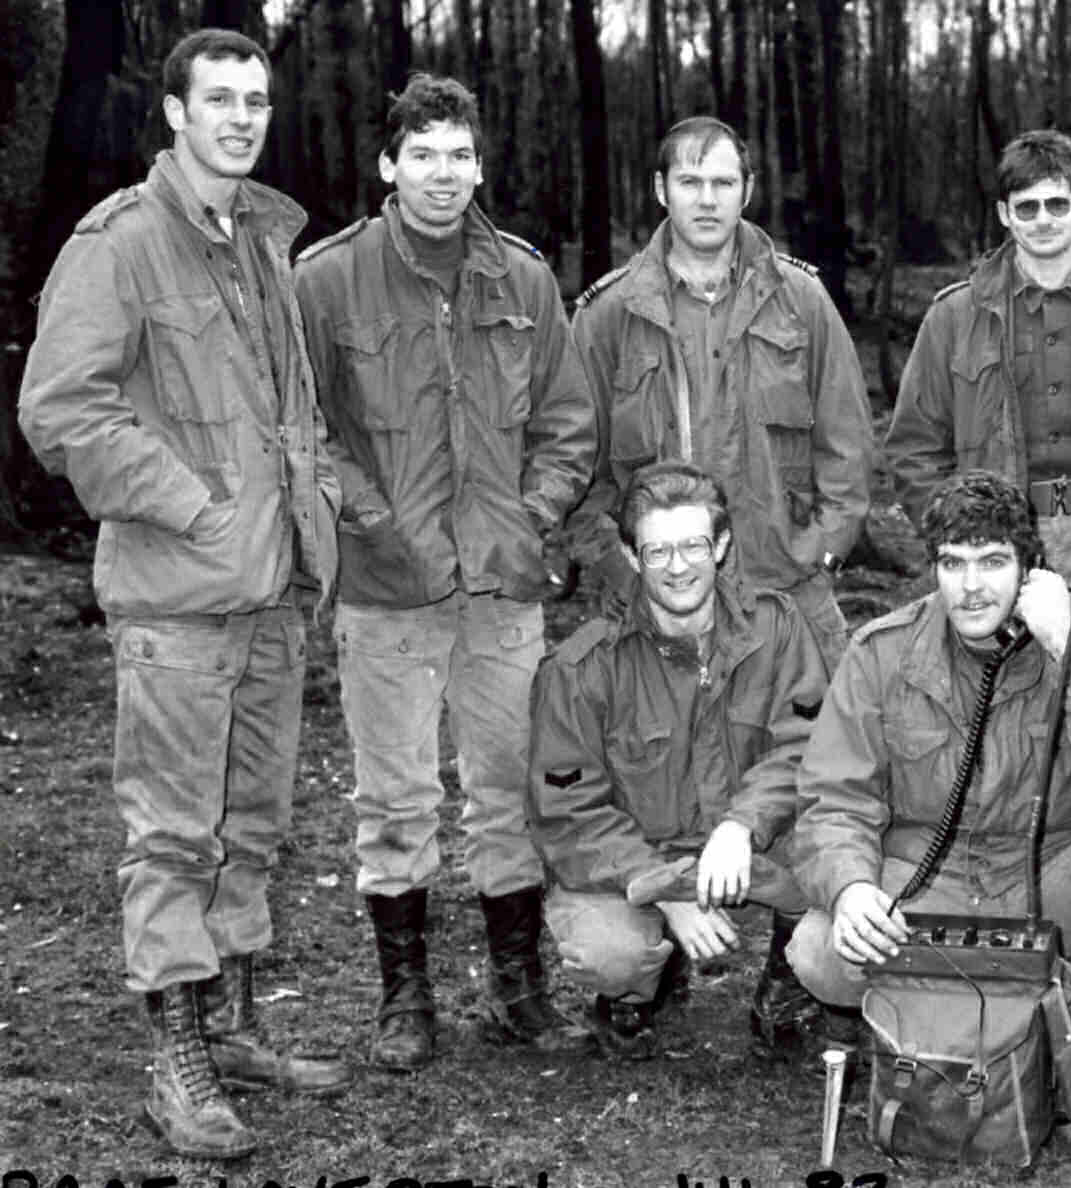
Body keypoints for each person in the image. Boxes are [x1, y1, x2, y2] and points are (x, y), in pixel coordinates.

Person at [17, 28, 347, 1159]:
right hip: (177, 593)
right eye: (218, 99)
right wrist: (190, 501)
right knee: (172, 835)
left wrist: (315, 513)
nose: (241, 117)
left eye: (256, 99)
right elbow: (59, 408)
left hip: (269, 592)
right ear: (173, 112)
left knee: (252, 824)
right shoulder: (120, 244)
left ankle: (236, 1023)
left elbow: (283, 409)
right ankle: (177, 1060)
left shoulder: (262, 238)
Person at [293, 73, 597, 1071]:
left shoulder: (524, 278)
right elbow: (304, 429)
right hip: (389, 588)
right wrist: (368, 518)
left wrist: (536, 514)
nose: (442, 174)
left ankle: (517, 990)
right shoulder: (328, 280)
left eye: (459, 154)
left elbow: (566, 420)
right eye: (421, 154)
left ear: (480, 164)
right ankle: (405, 996)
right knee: (396, 798)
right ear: (388, 164)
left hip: (504, 585)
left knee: (509, 789)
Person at [786, 470, 1071, 1132]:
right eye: (952, 564)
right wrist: (851, 890)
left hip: (1048, 884)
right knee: (818, 951)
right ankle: (918, 1029)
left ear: (1030, 569)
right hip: (930, 882)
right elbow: (835, 801)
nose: (971, 585)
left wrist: (1070, 650)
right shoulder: (882, 653)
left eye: (991, 562)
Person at [527, 462, 833, 1058]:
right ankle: (638, 988)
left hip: (752, 851)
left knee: (842, 870)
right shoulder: (580, 668)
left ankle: (789, 981)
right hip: (641, 863)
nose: (677, 566)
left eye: (693, 545)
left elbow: (808, 747)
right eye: (657, 550)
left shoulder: (779, 628)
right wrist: (669, 891)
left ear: (720, 546)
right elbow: (566, 813)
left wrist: (742, 825)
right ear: (632, 556)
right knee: (609, 952)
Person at [567, 116, 872, 664]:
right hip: (655, 605)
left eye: (723, 183)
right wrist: (618, 567)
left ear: (747, 191)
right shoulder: (609, 315)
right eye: (690, 182)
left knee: (813, 749)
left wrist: (823, 554)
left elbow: (847, 443)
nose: (707, 200)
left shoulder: (800, 299)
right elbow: (575, 466)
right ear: (661, 190)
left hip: (787, 597)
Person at [885, 130, 1071, 579]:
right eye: (1027, 207)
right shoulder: (954, 315)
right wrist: (963, 536)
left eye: (1057, 204)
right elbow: (914, 447)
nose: (1043, 220)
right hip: (1000, 545)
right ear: (1005, 215)